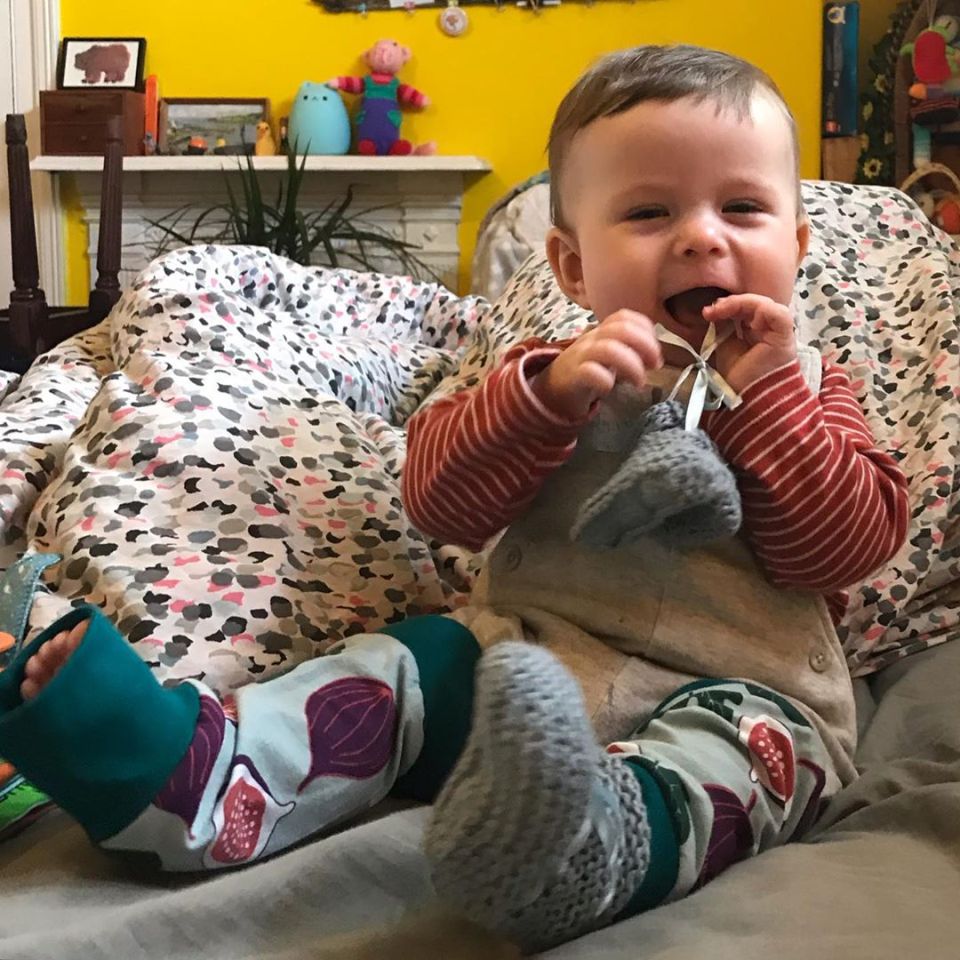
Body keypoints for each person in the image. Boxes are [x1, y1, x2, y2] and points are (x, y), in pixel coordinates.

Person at [0, 44, 908, 956]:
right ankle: (191, 772)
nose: (703, 238)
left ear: (794, 246)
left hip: (748, 684)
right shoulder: (549, 380)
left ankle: (592, 845)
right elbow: (439, 502)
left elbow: (836, 554)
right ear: (574, 268)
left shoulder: (813, 394)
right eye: (648, 212)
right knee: (410, 661)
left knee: (741, 765)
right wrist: (545, 402)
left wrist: (770, 402)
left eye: (743, 208)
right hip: (533, 665)